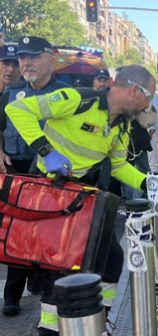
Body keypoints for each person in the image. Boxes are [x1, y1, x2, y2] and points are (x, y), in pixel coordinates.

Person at [6, 64, 158, 336]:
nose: (148, 106)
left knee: (112, 262)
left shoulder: (120, 126)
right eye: (148, 97)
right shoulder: (77, 100)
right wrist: (46, 151)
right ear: (133, 91)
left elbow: (117, 165)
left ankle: (95, 328)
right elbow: (17, 108)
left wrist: (146, 182)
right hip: (53, 197)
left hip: (86, 201)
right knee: (58, 273)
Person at [0, 36, 70, 317]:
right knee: (19, 233)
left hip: (50, 175)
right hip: (17, 169)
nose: (25, 64)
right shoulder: (11, 93)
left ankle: (46, 294)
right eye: (21, 59)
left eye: (32, 57)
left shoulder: (66, 94)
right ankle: (12, 296)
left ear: (50, 58)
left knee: (49, 237)